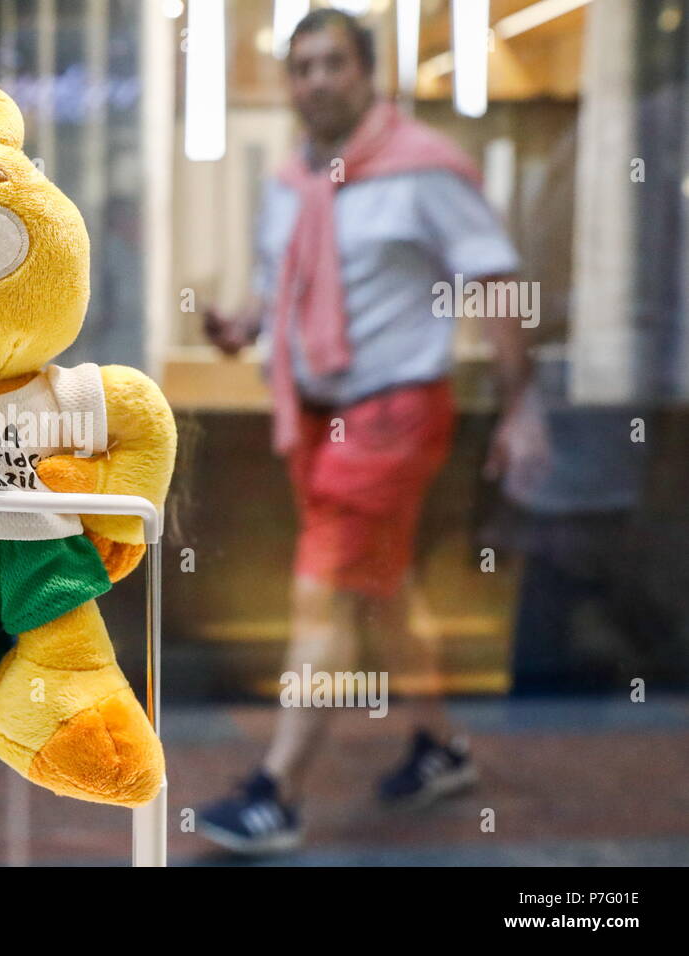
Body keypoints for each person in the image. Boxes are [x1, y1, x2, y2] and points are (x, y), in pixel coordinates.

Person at [199, 8, 544, 856]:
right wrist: (241, 325)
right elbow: (281, 287)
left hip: (391, 411)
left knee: (324, 589)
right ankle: (438, 747)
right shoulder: (289, 184)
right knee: (382, 591)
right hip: (314, 418)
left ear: (368, 75)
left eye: (333, 64)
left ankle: (277, 789)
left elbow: (495, 282)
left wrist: (522, 404)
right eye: (302, 67)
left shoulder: (426, 172)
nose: (316, 80)